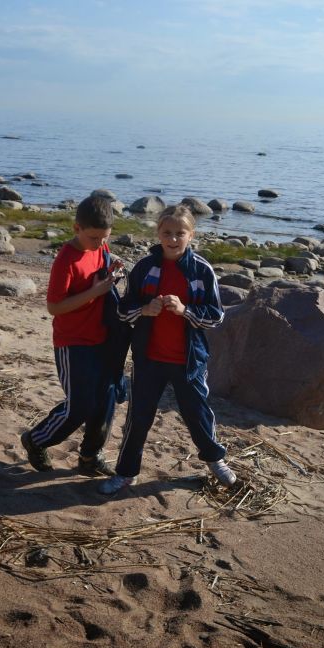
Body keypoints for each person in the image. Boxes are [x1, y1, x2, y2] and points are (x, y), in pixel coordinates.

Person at [98, 204, 237, 495]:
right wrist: (145, 309)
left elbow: (216, 316)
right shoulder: (145, 267)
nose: (173, 239)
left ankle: (215, 459)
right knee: (139, 417)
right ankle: (126, 473)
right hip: (148, 357)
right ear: (158, 234)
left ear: (191, 235)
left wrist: (186, 310)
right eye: (167, 233)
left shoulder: (201, 270)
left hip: (189, 359)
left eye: (180, 233)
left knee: (197, 413)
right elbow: (123, 310)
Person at [21, 195, 126, 475]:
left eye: (105, 238)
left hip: (102, 338)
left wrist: (111, 267)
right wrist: (95, 292)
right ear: (76, 228)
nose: (100, 244)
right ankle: (36, 440)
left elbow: (99, 269)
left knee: (105, 401)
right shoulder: (65, 259)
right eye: (94, 238)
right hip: (73, 343)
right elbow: (54, 307)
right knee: (79, 406)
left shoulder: (99, 246)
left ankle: (90, 456)